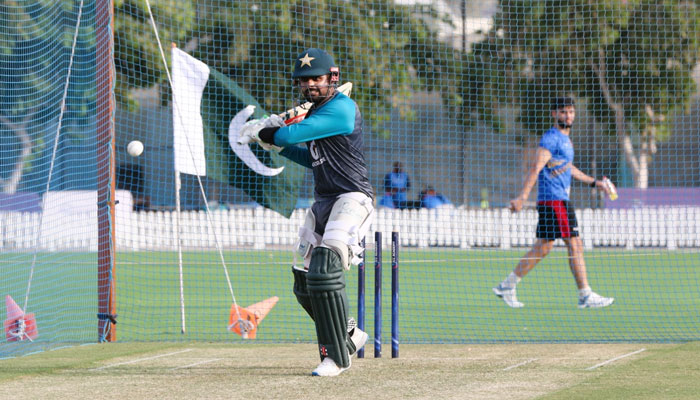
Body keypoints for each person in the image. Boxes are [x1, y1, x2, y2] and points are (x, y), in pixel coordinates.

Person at [238, 48, 373, 376]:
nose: (311, 84)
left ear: (333, 78)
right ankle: (350, 334)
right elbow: (309, 157)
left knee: (326, 270)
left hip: (352, 199)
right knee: (304, 283)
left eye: (317, 78)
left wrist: (269, 134)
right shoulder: (315, 114)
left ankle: (335, 357)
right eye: (305, 80)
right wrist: (277, 144)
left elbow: (288, 133)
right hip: (324, 202)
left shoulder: (342, 108)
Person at [493, 97, 615, 309]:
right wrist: (522, 197)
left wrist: (595, 183)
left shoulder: (566, 141)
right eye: (563, 112)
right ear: (554, 114)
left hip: (556, 201)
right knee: (575, 244)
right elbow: (535, 167)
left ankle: (507, 286)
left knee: (543, 248)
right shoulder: (551, 139)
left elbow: (569, 168)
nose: (567, 116)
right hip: (555, 201)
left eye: (570, 112)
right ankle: (585, 295)